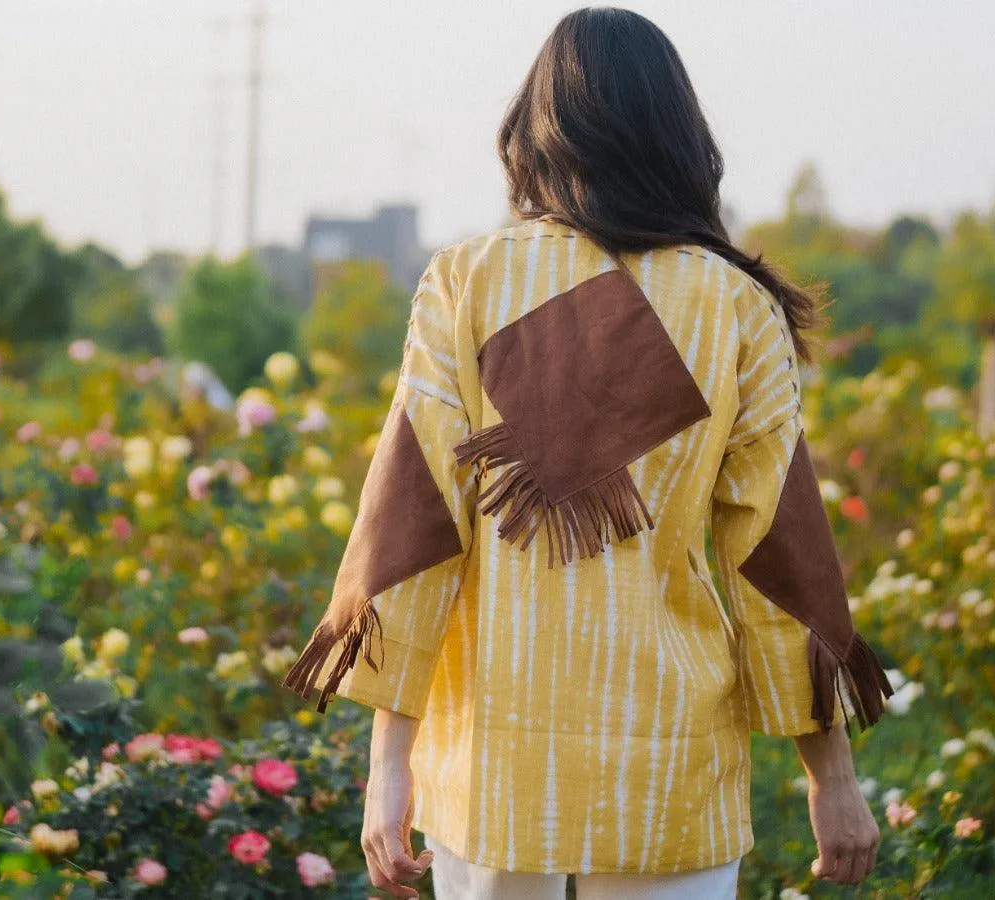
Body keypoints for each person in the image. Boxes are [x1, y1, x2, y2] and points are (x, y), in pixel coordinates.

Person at [283, 7, 892, 898]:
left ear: (535, 132)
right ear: (679, 136)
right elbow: (777, 556)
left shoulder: (465, 283)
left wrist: (389, 766)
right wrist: (830, 780)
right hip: (668, 767)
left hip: (494, 767)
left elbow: (413, 531)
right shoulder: (733, 306)